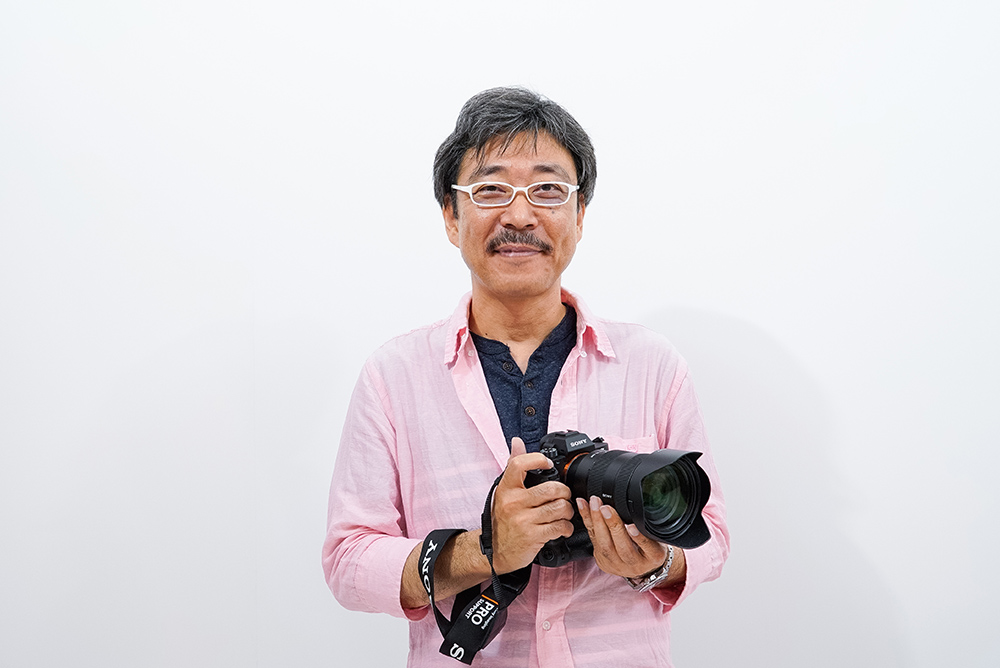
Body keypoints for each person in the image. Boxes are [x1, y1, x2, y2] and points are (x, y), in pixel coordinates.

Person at [323, 87, 729, 668]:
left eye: (547, 190)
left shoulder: (650, 364)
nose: (519, 216)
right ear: (451, 216)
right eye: (490, 190)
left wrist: (656, 563)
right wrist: (483, 551)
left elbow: (711, 532)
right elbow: (348, 560)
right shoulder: (394, 376)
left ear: (579, 215)